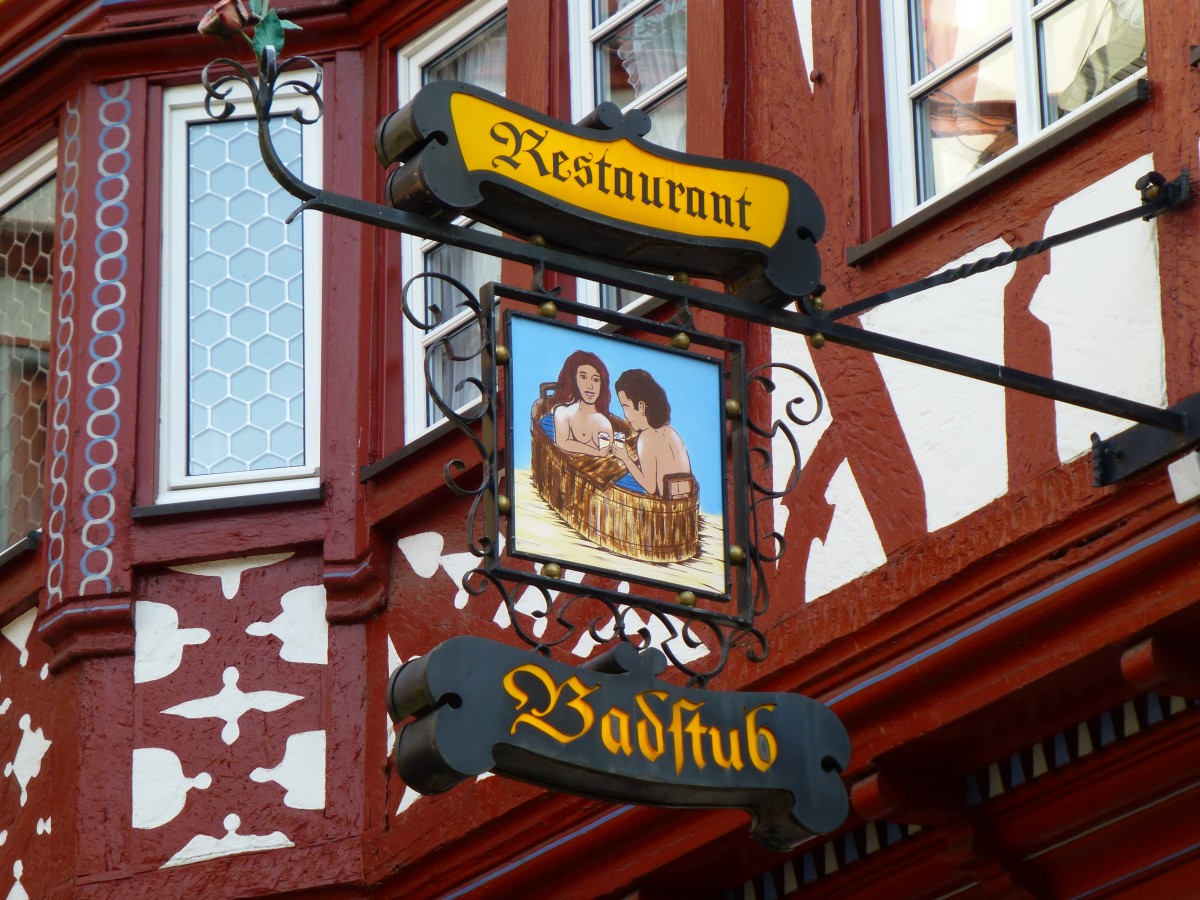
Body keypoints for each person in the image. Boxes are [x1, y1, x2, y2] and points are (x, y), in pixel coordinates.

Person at [611, 368, 691, 496]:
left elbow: (650, 487)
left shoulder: (646, 437)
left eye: (625, 406)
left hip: (663, 507)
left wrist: (625, 458)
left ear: (641, 407)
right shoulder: (671, 432)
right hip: (683, 502)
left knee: (615, 482)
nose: (625, 415)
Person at [551, 350, 613, 457]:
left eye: (596, 379)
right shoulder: (562, 413)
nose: (590, 386)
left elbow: (608, 458)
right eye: (583, 377)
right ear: (573, 379)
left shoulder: (605, 424)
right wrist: (596, 452)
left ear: (602, 384)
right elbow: (563, 442)